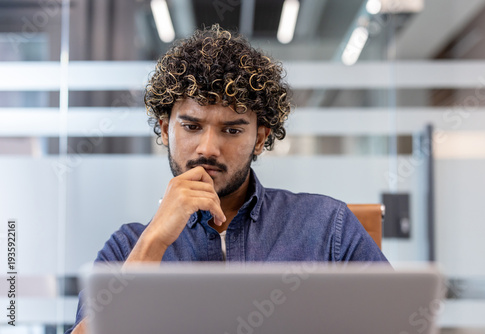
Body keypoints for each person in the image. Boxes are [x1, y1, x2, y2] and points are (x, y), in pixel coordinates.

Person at [66, 24, 387, 334]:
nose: (208, 149)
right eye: (192, 127)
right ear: (165, 130)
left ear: (260, 139)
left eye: (232, 130)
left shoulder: (326, 227)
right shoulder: (127, 248)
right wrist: (153, 244)